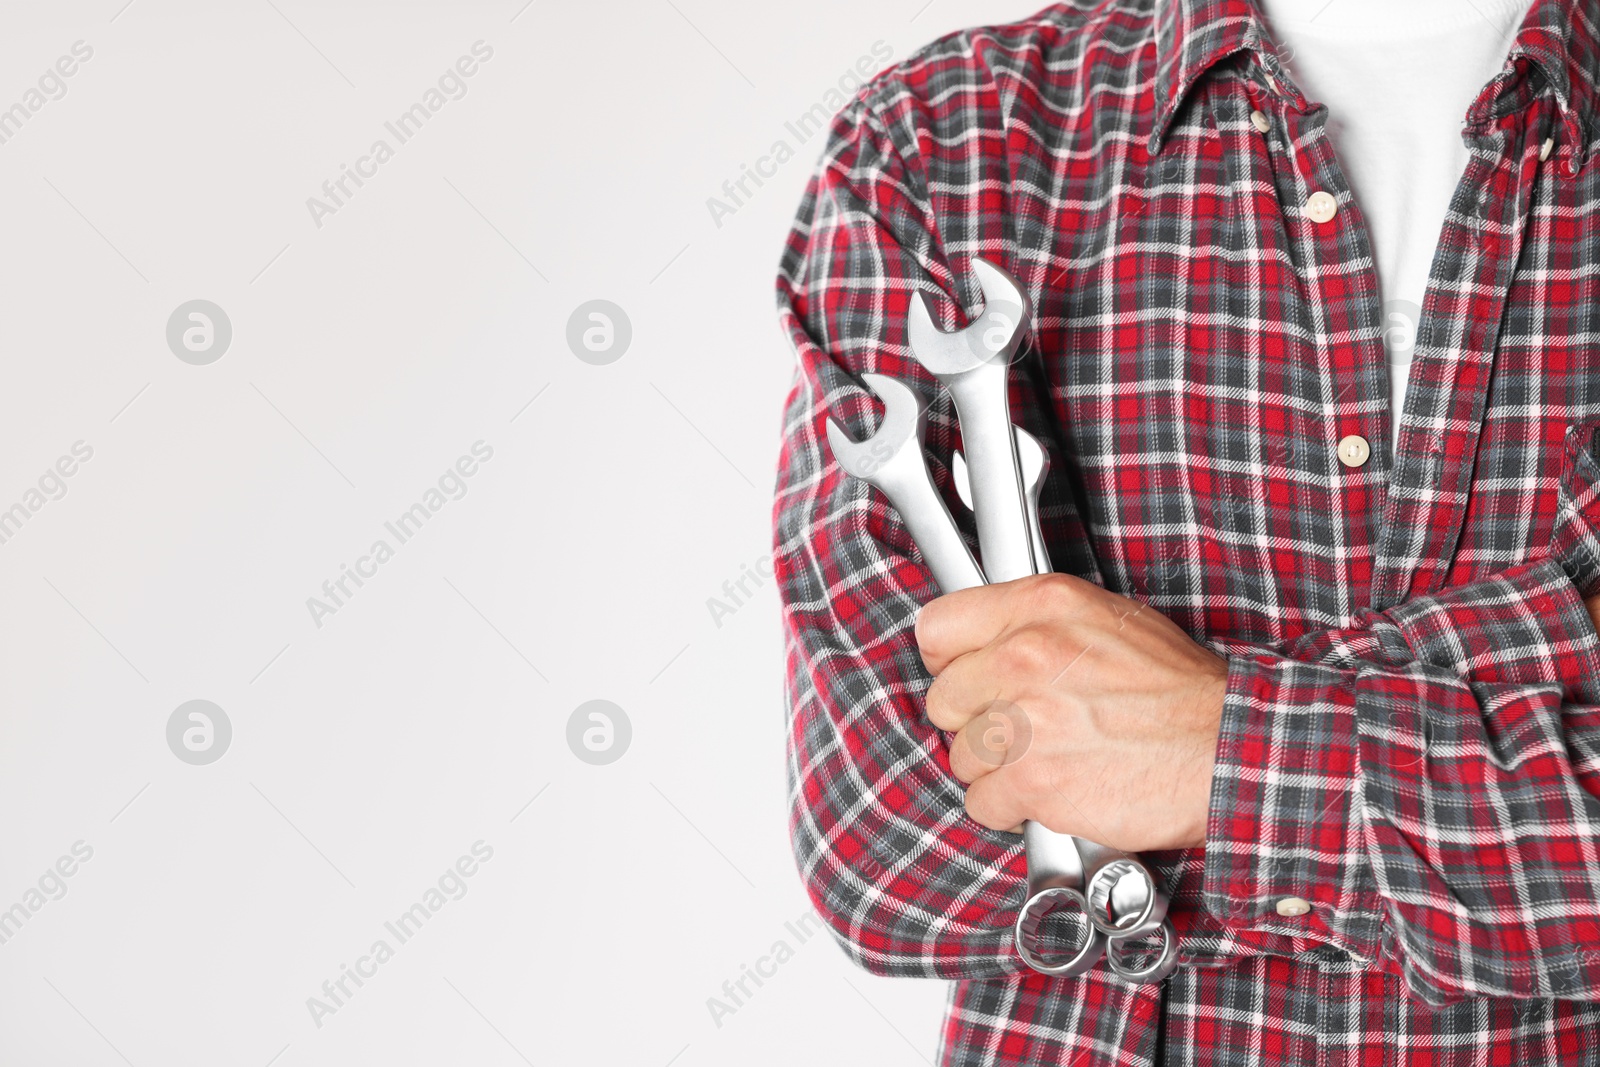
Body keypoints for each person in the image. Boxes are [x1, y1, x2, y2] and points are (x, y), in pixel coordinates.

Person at [771, 0, 1600, 1062]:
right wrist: (1543, 664)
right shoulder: (941, 141)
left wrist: (1204, 750)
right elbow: (885, 841)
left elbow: (1004, 826)